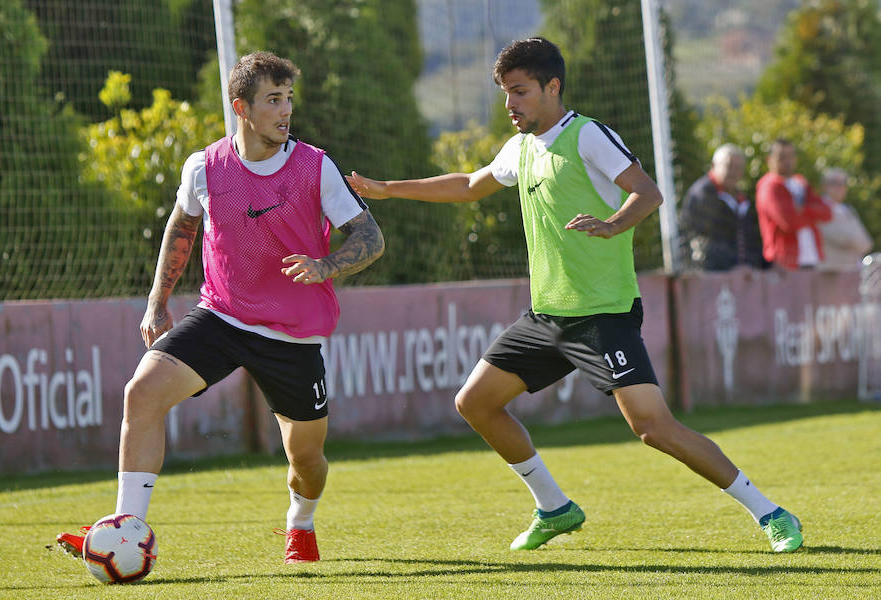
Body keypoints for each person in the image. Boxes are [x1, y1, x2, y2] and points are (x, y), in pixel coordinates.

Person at [348, 37, 802, 553]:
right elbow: (470, 186)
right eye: (504, 94)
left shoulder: (588, 136)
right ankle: (554, 507)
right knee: (475, 402)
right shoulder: (519, 148)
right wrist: (389, 188)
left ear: (552, 87)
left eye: (519, 91)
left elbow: (646, 192)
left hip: (602, 316)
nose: (510, 104)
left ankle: (771, 513)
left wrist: (613, 225)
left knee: (653, 427)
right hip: (546, 317)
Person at [57, 51, 384, 564]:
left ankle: (300, 522)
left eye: (288, 99)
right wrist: (157, 301)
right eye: (273, 100)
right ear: (242, 108)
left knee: (307, 459)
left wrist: (328, 266)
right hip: (222, 315)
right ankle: (127, 528)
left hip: (293, 335)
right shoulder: (204, 166)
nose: (285, 111)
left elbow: (370, 236)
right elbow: (183, 227)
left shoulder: (316, 167)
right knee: (141, 393)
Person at [679, 143, 766, 271]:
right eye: (728, 166)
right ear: (714, 166)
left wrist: (757, 263)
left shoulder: (741, 199)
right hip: (709, 272)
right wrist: (734, 265)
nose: (733, 172)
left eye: (738, 168)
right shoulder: (703, 194)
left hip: (739, 272)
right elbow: (708, 239)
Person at [755, 139, 831, 269]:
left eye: (791, 156)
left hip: (809, 258)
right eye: (782, 157)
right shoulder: (769, 186)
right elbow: (788, 221)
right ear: (770, 159)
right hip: (783, 261)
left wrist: (802, 210)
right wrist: (811, 215)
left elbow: (826, 213)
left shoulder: (800, 182)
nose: (787, 161)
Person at [817, 168, 872, 270]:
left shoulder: (848, 210)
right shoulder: (820, 208)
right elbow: (840, 238)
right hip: (830, 271)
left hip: (852, 270)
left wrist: (855, 241)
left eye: (843, 183)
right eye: (834, 183)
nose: (839, 187)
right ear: (824, 186)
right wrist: (855, 241)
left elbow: (866, 242)